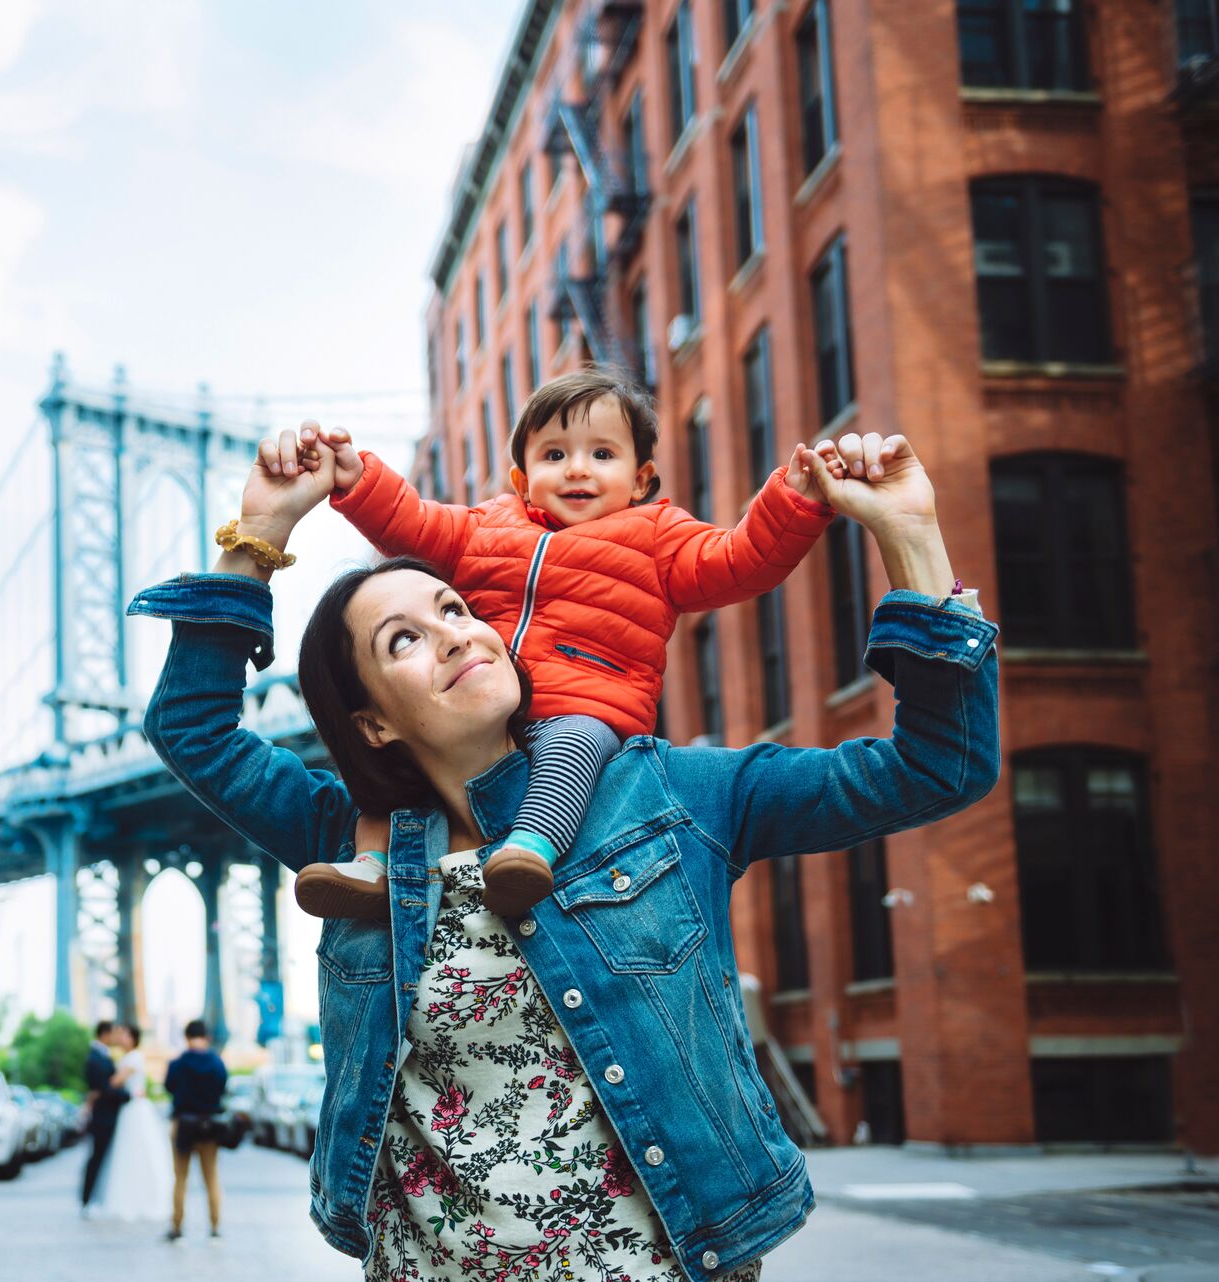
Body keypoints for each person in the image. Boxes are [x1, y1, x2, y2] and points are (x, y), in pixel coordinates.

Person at [126, 426, 999, 1282]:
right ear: (373, 722)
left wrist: (911, 537)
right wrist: (261, 533)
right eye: (403, 641)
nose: (455, 636)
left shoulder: (666, 798)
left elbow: (937, 767)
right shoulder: (348, 848)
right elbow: (192, 729)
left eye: (455, 610)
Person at [296, 368, 835, 920]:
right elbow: (413, 523)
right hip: (489, 705)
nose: (577, 468)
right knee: (400, 775)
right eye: (554, 455)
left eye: (603, 454)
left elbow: (738, 561)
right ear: (522, 479)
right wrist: (359, 481)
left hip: (587, 705)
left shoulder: (658, 536)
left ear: (641, 477)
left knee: (570, 748)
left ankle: (529, 850)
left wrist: (792, 502)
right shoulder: (487, 525)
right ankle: (370, 867)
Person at [85, 1022, 173, 1224]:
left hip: (134, 1109)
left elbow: (113, 1083)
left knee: (134, 1153)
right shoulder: (125, 1058)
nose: (119, 1038)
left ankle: (136, 1198)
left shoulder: (133, 1058)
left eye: (123, 1034)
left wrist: (96, 1091)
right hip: (128, 1109)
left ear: (132, 1038)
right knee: (128, 1154)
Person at [164, 1019, 230, 1242]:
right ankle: (215, 1226)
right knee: (211, 1177)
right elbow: (222, 1086)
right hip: (209, 1126)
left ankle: (177, 1225)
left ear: (186, 1037)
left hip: (183, 1125)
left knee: (180, 1178)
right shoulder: (216, 1063)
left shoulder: (178, 1063)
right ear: (207, 1037)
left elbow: (169, 1086)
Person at [80, 1020, 130, 1213]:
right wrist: (127, 1096)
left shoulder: (102, 1056)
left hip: (107, 1115)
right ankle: (88, 1200)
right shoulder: (95, 1058)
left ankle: (93, 1199)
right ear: (105, 1034)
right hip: (103, 1117)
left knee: (102, 1158)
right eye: (114, 1034)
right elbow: (103, 1088)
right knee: (97, 1158)